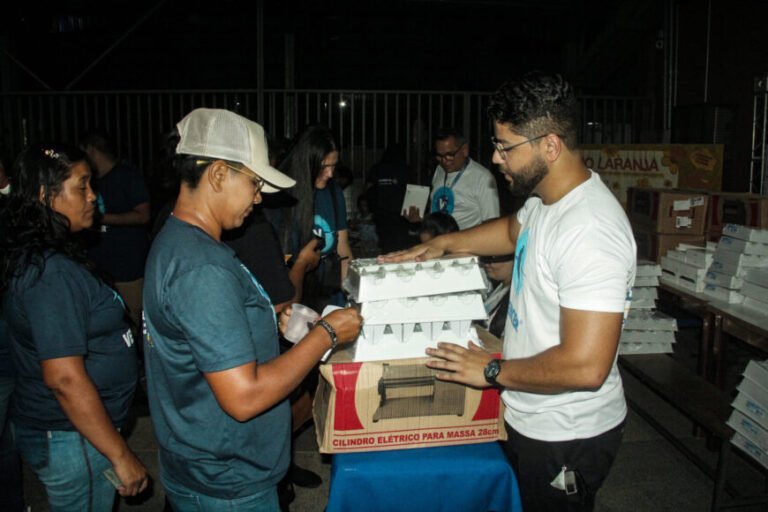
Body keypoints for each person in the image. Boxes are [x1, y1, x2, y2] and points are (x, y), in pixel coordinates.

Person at [382, 72, 636, 512]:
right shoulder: (545, 201)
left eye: (506, 147)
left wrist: (491, 370)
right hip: (529, 411)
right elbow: (510, 230)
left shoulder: (590, 231)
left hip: (566, 432)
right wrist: (442, 245)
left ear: (550, 146)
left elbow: (587, 365)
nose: (496, 158)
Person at [142, 108, 362, 511]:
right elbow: (244, 397)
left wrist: (263, 320)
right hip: (228, 479)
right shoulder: (202, 267)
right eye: (254, 183)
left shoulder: (180, 240)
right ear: (218, 175)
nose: (259, 198)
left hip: (202, 460)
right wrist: (326, 334)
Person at [0, 142, 148, 511]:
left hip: (76, 433)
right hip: (73, 435)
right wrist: (120, 454)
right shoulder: (49, 273)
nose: (93, 196)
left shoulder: (53, 255)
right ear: (44, 196)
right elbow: (64, 378)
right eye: (82, 187)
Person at [79, 132, 151, 336]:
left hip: (127, 271)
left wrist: (100, 218)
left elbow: (143, 215)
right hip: (97, 270)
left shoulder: (127, 176)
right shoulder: (89, 181)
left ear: (91, 149)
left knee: (132, 330)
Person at [280, 125, 354, 310]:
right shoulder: (282, 195)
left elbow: (343, 248)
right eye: (324, 166)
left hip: (328, 297)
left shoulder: (333, 191)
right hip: (292, 299)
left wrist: (352, 293)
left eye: (333, 166)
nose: (330, 173)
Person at [404, 128, 499, 230]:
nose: (444, 161)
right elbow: (438, 213)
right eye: (440, 156)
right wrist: (421, 219)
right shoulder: (439, 170)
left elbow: (491, 224)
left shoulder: (483, 178)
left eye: (449, 155)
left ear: (464, 150)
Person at [365, 143, 412, 252]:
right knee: (401, 246)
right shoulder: (405, 169)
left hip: (381, 214)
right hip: (401, 216)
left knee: (386, 245)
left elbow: (367, 189)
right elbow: (411, 190)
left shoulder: (376, 169)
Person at [478, 253, 515, 339]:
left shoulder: (515, 299)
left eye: (495, 258)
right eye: (486, 258)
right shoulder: (500, 287)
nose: (487, 264)